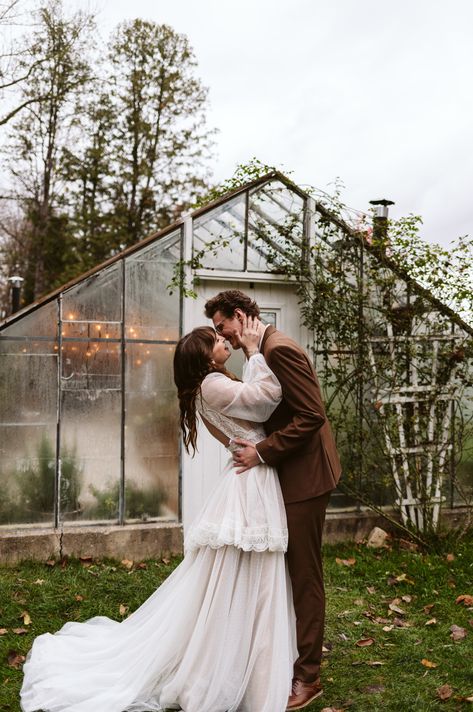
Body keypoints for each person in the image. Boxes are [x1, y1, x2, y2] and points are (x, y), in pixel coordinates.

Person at [20, 320, 296, 712]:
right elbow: (266, 399)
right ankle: (232, 669)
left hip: (251, 474)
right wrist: (254, 351)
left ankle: (245, 666)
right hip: (250, 481)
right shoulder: (212, 384)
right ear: (203, 356)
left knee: (245, 573)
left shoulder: (210, 385)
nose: (224, 341)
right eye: (216, 340)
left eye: (221, 336)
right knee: (246, 573)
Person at [204, 290, 342, 711]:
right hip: (287, 472)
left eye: (221, 325)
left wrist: (261, 453)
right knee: (286, 569)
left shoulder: (278, 349)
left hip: (305, 476)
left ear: (240, 316)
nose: (219, 335)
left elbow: (312, 415)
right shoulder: (258, 350)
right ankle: (283, 654)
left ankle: (308, 677)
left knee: (304, 573)